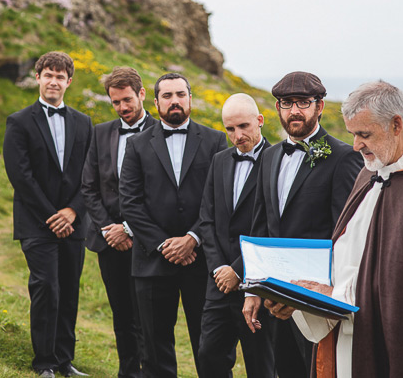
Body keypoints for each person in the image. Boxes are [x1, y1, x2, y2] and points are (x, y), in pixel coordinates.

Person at [267, 80, 403, 378]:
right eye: (353, 134)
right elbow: (348, 257)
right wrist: (302, 297)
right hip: (348, 340)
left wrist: (335, 294)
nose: (356, 145)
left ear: (396, 124)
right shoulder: (367, 175)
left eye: (364, 134)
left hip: (395, 351)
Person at [248, 71, 363, 377]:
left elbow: (346, 235)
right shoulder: (269, 156)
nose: (294, 110)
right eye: (287, 103)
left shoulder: (342, 157)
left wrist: (318, 295)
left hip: (317, 305)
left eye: (303, 102)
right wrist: (255, 291)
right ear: (277, 108)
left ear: (319, 106)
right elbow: (261, 225)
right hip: (275, 299)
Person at [119, 73, 227, 377]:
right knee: (154, 349)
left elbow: (218, 199)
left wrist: (192, 238)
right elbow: (130, 203)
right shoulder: (138, 144)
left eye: (180, 94)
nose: (175, 101)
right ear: (155, 102)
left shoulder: (215, 140)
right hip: (152, 261)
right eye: (167, 95)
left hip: (201, 260)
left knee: (210, 347)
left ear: (190, 99)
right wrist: (165, 244)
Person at [3, 51, 92, 378]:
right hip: (36, 224)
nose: (54, 81)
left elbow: (90, 174)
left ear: (69, 82)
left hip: (74, 223)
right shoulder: (19, 121)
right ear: (38, 78)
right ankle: (44, 363)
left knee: (69, 291)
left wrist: (72, 211)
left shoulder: (84, 123)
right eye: (48, 75)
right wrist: (52, 215)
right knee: (46, 288)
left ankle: (64, 361)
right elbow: (20, 176)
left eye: (60, 76)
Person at [81, 66, 156, 377]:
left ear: (140, 94)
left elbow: (162, 194)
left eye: (127, 100)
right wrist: (109, 229)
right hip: (108, 240)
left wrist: (130, 229)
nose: (123, 108)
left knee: (148, 316)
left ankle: (151, 371)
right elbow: (89, 187)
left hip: (147, 242)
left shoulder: (161, 131)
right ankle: (127, 372)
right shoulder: (100, 133)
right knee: (121, 314)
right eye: (115, 103)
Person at [197, 93, 276, 377]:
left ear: (260, 121)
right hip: (219, 285)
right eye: (230, 129)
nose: (237, 135)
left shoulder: (277, 161)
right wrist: (220, 268)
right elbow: (206, 219)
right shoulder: (218, 161)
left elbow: (271, 227)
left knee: (260, 363)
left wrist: (237, 270)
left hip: (258, 283)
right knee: (208, 357)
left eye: (243, 126)